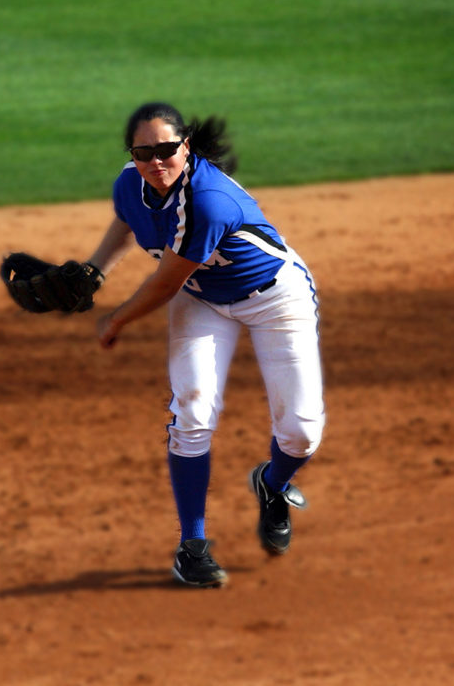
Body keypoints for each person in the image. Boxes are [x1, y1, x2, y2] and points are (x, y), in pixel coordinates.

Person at [87, 101, 326, 588]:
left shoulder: (208, 200)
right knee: (192, 413)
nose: (155, 161)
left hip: (274, 298)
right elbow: (127, 218)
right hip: (203, 301)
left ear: (186, 146)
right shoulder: (133, 181)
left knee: (301, 431)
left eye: (166, 149)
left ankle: (273, 484)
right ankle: (192, 546)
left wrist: (116, 319)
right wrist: (94, 271)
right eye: (142, 151)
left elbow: (163, 286)